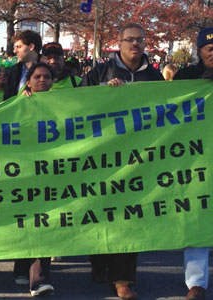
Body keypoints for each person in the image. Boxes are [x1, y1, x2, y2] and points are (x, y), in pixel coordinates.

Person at [80, 23, 164, 300]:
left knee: (129, 217)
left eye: (140, 40)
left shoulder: (154, 78)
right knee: (101, 213)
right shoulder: (99, 73)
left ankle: (123, 280)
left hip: (138, 159)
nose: (135, 45)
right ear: (119, 43)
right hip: (102, 158)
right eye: (130, 40)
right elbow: (76, 105)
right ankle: (99, 263)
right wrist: (104, 94)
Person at [173, 27, 213, 300]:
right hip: (196, 160)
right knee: (198, 218)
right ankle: (196, 283)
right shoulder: (186, 77)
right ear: (198, 50)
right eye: (208, 47)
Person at [12, 63, 56, 297]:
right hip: (22, 172)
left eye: (47, 77)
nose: (42, 80)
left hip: (50, 172)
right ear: (28, 81)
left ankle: (38, 278)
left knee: (42, 220)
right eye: (37, 77)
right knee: (25, 219)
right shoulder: (16, 104)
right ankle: (21, 267)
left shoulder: (64, 105)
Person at [4, 30, 42, 100]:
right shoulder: (13, 70)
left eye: (19, 47)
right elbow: (7, 99)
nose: (14, 51)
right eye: (15, 47)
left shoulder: (48, 71)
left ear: (31, 47)